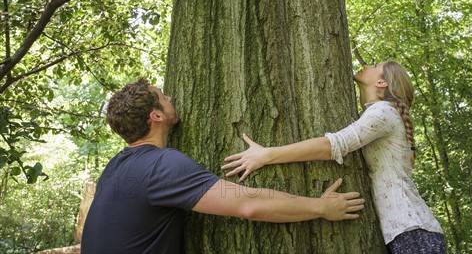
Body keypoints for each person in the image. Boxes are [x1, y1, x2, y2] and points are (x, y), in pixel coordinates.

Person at [80, 78, 364, 254]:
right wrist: (321, 207)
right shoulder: (161, 164)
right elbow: (247, 204)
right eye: (164, 96)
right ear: (156, 115)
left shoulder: (115, 166)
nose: (171, 98)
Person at [223, 61, 447, 254]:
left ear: (382, 83)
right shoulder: (383, 112)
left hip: (412, 230)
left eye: (375, 66)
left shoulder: (383, 112)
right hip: (407, 231)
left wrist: (267, 155)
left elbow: (334, 145)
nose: (367, 65)